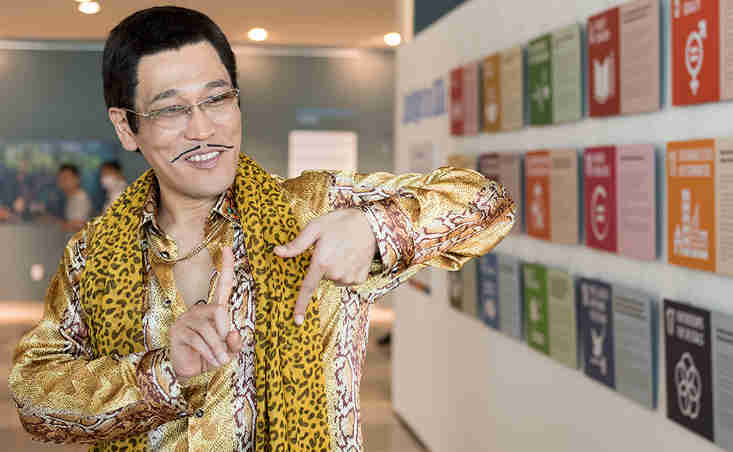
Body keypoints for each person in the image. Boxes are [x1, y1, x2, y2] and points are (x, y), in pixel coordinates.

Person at [9, 7, 515, 452]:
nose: (203, 129)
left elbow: (490, 203)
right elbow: (34, 395)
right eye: (170, 110)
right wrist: (164, 371)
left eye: (216, 99)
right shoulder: (93, 253)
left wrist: (374, 228)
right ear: (126, 127)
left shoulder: (314, 208)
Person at [55, 163, 91, 232]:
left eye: (66, 178)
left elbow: (79, 224)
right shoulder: (71, 197)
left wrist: (57, 223)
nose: (63, 182)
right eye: (60, 179)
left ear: (77, 179)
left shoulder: (81, 198)